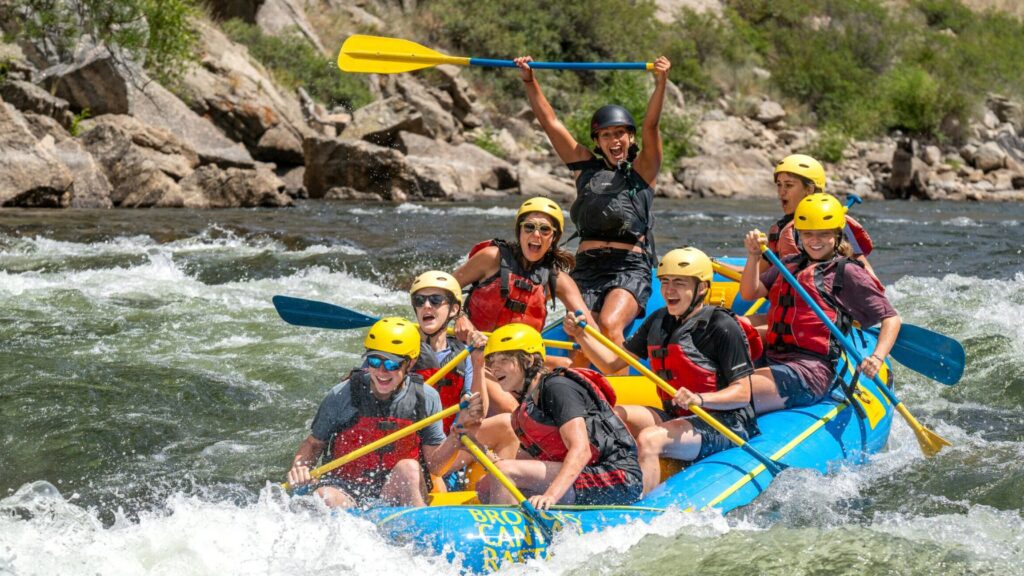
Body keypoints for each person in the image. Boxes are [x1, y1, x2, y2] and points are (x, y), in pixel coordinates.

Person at [565, 247, 761, 494]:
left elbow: (742, 394)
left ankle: (640, 509)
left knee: (650, 439)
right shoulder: (659, 320)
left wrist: (699, 399)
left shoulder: (721, 325)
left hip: (724, 423)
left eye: (679, 283)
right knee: (610, 418)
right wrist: (581, 336)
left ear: (701, 288)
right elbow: (612, 364)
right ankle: (593, 485)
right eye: (665, 282)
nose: (669, 290)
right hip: (676, 414)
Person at [513, 54, 672, 347]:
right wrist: (529, 79)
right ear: (597, 142)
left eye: (621, 133)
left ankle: (621, 387)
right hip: (586, 268)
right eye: (606, 135)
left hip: (629, 268)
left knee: (609, 324)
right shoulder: (584, 169)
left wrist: (661, 82)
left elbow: (651, 127)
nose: (615, 141)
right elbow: (550, 124)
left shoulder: (644, 170)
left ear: (631, 138)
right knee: (581, 338)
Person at [286, 317, 479, 508]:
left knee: (410, 469)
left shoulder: (425, 398)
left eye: (391, 365)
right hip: (346, 487)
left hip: (395, 488)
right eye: (374, 361)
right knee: (323, 496)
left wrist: (456, 437)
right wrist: (300, 467)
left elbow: (435, 467)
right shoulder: (341, 394)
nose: (381, 372)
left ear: (410, 364)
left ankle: (416, 533)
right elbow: (313, 444)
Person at [740, 194, 902, 414]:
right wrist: (752, 256)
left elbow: (891, 318)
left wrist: (877, 357)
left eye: (823, 234)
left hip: (809, 370)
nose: (814, 240)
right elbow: (750, 292)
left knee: (732, 393)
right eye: (808, 234)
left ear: (836, 235)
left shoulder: (847, 272)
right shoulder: (789, 264)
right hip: (772, 357)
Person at [472, 323, 642, 509]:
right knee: (485, 486)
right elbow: (532, 458)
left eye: (503, 360)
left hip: (617, 479)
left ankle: (503, 531)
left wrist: (550, 496)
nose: (495, 369)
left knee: (504, 472)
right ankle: (527, 528)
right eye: (491, 362)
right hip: (585, 476)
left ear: (529, 361)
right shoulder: (527, 405)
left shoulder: (557, 387)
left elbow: (581, 449)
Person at [453, 196, 594, 339]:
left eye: (545, 229)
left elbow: (591, 328)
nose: (536, 234)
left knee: (565, 363)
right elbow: (442, 287)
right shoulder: (491, 258)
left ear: (554, 238)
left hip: (521, 357)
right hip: (474, 347)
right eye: (529, 227)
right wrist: (459, 316)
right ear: (519, 231)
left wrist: (578, 327)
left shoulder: (558, 279)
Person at [764, 154, 877, 279]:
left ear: (809, 189)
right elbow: (762, 274)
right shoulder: (779, 228)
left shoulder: (835, 223)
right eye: (779, 185)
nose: (781, 191)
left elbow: (868, 274)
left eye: (789, 185)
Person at [408, 270, 475, 434]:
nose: (426, 305)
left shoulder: (465, 354)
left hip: (447, 440)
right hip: (407, 440)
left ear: (453, 310)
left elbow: (472, 405)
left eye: (436, 300)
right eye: (419, 300)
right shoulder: (400, 349)